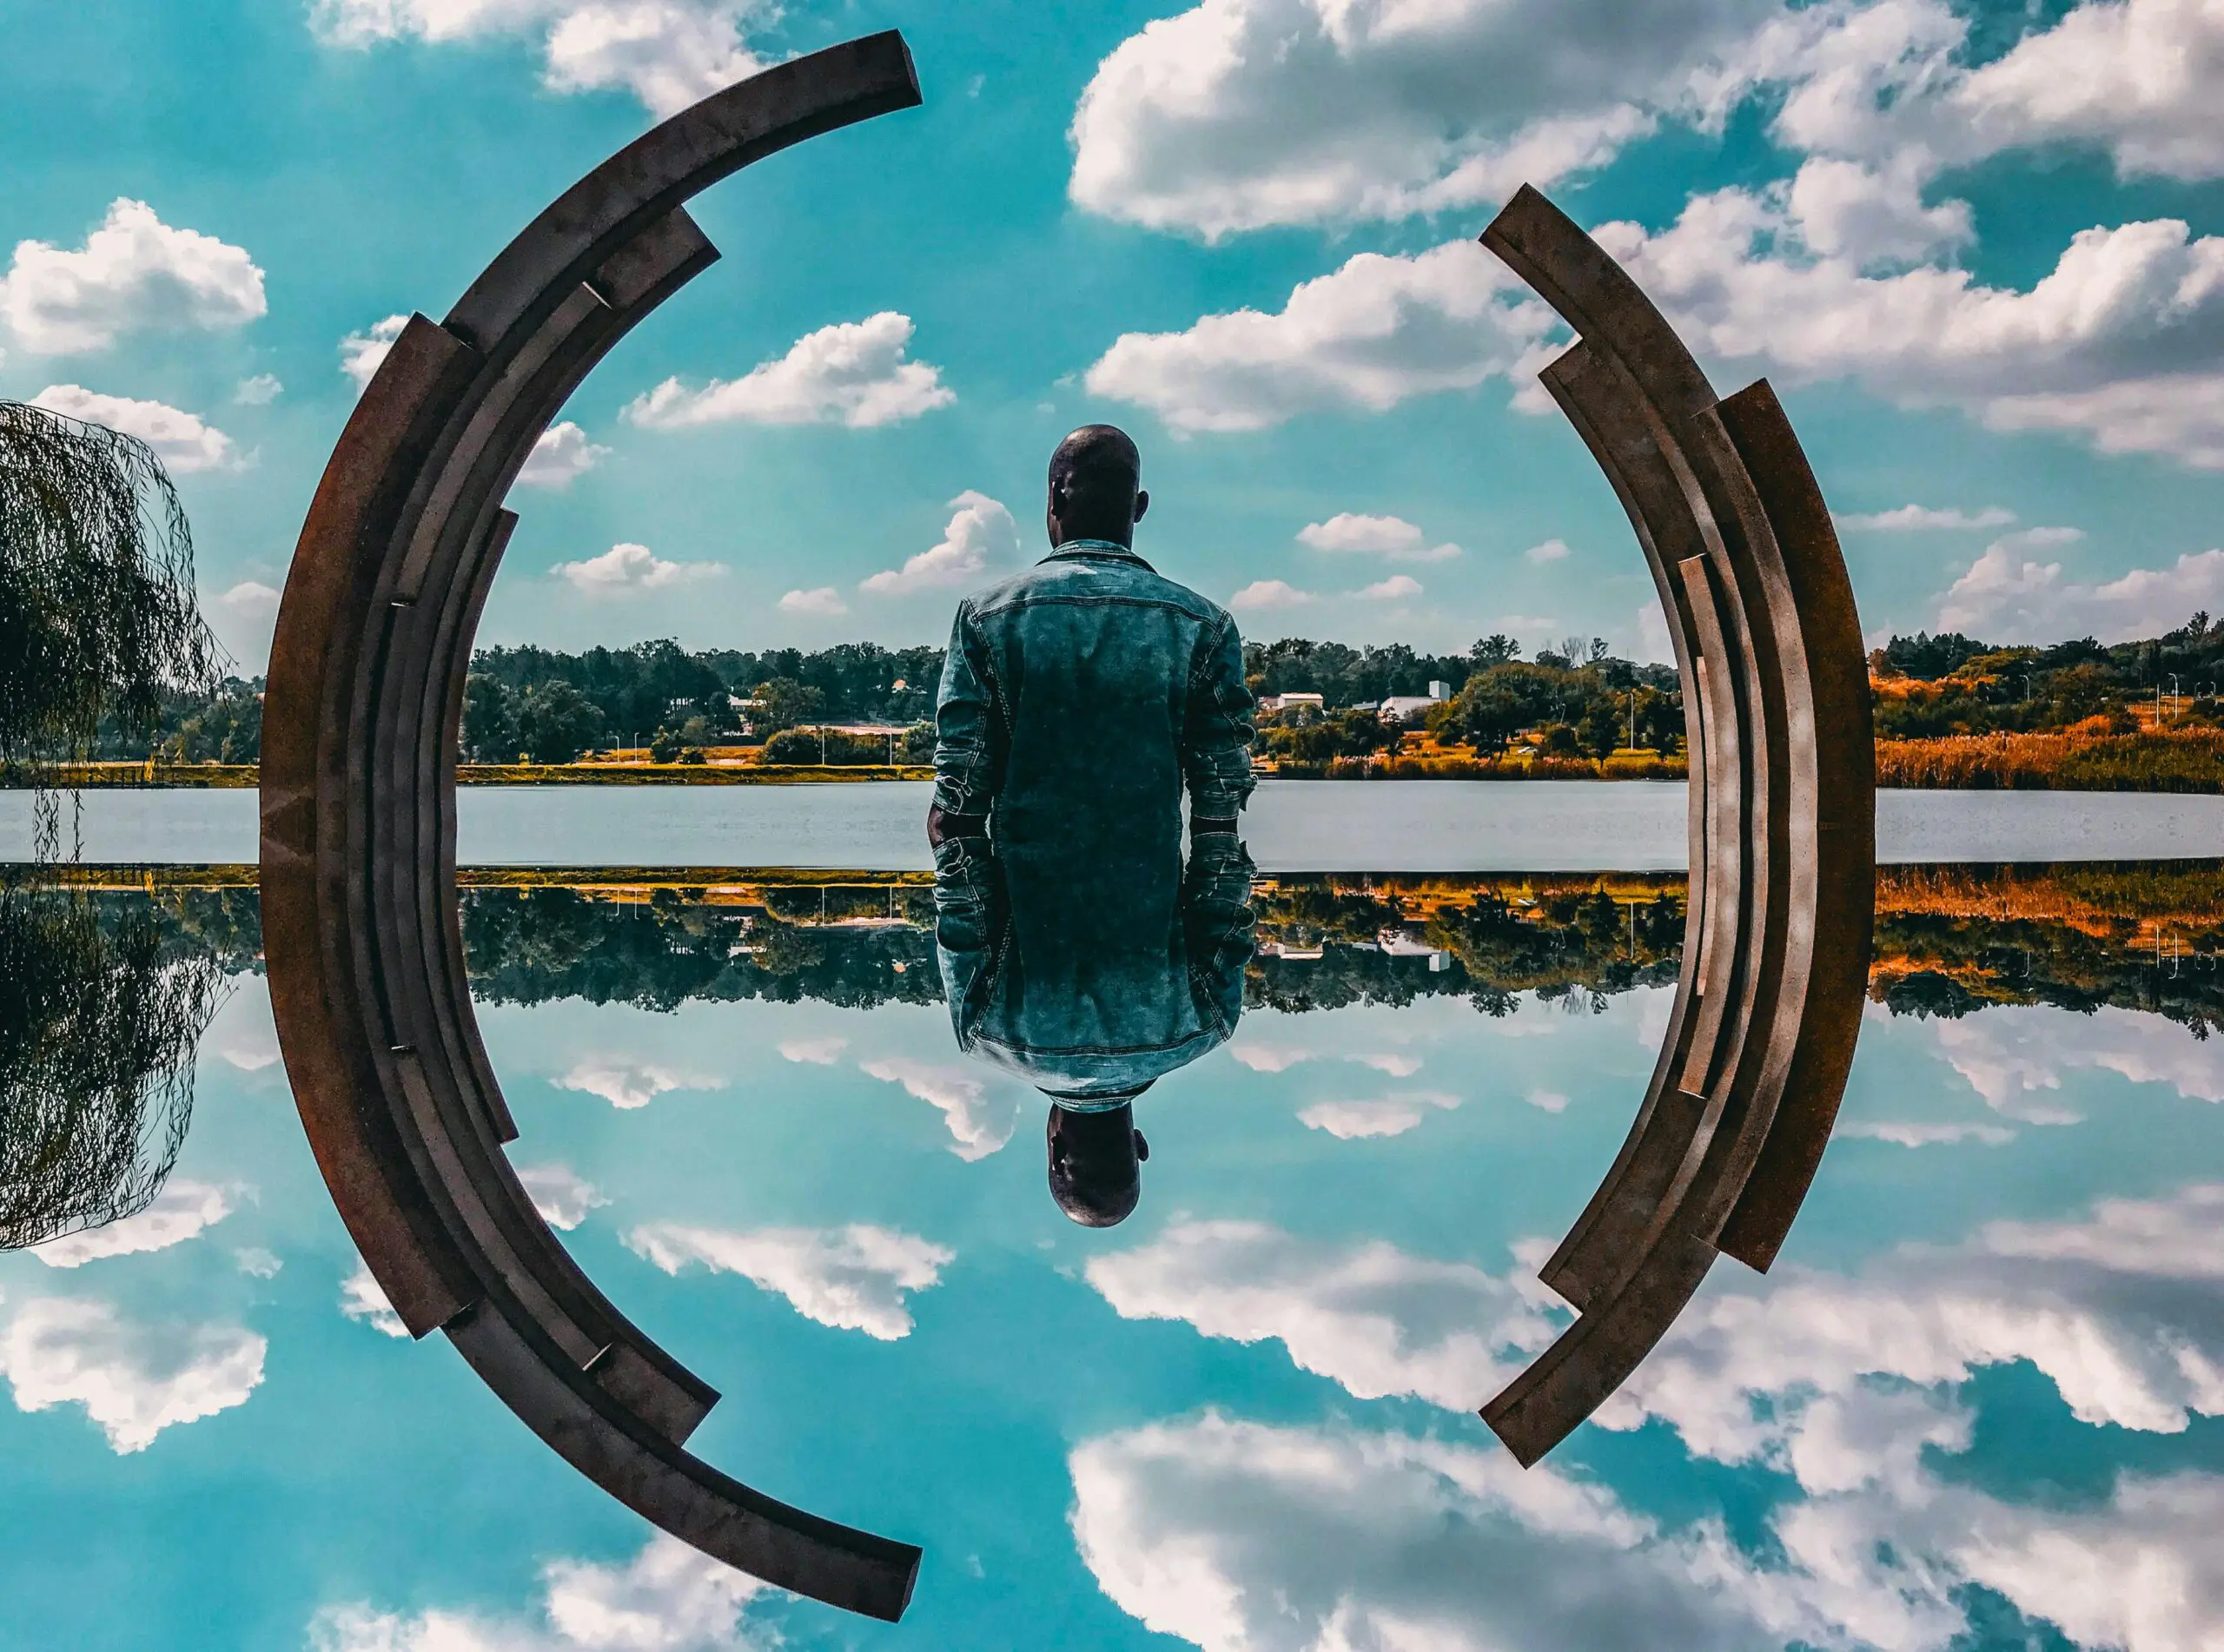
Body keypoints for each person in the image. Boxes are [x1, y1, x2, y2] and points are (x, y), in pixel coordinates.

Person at [927, 424, 1256, 1225]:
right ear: (1139, 508)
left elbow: (958, 800)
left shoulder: (988, 616)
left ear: (1050, 503)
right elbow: (1220, 808)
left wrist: (954, 838)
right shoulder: (1201, 626)